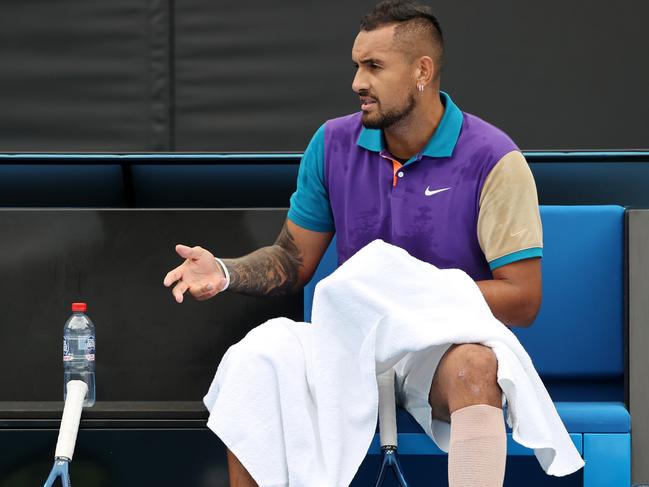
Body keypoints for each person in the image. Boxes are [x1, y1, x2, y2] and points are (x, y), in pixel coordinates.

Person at [163, 1, 543, 485]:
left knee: (476, 366)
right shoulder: (331, 143)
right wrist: (226, 271)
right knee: (256, 357)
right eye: (356, 65)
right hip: (349, 341)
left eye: (374, 66)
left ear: (422, 71)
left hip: (441, 347)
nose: (357, 82)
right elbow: (291, 259)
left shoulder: (494, 159)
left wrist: (403, 293)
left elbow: (523, 298)